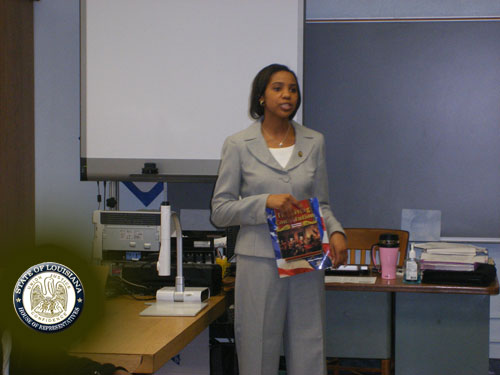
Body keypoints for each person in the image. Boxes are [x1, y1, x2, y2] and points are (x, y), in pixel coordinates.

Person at [211, 63, 348, 375]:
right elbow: (220, 211)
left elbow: (322, 203)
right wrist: (264, 203)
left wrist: (337, 232)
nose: (287, 94)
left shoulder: (314, 142)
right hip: (258, 259)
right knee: (257, 345)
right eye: (278, 88)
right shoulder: (238, 144)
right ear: (261, 97)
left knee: (309, 343)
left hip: (305, 251)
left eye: (293, 88)